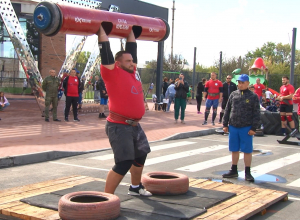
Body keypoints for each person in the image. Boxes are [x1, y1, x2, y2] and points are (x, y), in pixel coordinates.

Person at [98, 25, 152, 196]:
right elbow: (105, 53)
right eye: (128, 61)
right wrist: (102, 32)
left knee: (140, 156)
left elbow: (132, 51)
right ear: (118, 63)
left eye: (132, 61)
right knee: (124, 162)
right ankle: (107, 199)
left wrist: (130, 34)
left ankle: (135, 188)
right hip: (119, 126)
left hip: (135, 126)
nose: (132, 63)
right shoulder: (111, 73)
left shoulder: (133, 72)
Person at [222, 74, 260, 182]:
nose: (240, 84)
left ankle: (247, 172)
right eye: (239, 82)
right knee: (234, 149)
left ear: (248, 83)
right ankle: (234, 170)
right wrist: (225, 124)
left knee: (247, 150)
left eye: (243, 82)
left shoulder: (253, 96)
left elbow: (256, 113)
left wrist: (254, 128)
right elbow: (227, 109)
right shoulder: (233, 94)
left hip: (246, 127)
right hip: (233, 126)